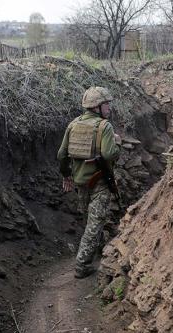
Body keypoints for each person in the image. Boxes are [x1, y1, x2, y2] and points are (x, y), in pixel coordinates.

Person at [57, 86, 121, 279]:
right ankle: (82, 265)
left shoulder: (73, 124)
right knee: (95, 221)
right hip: (100, 181)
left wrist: (66, 175)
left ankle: (101, 249)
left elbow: (61, 155)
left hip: (80, 182)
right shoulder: (105, 127)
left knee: (91, 219)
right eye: (106, 104)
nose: (109, 108)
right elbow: (109, 154)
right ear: (97, 107)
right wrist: (117, 143)